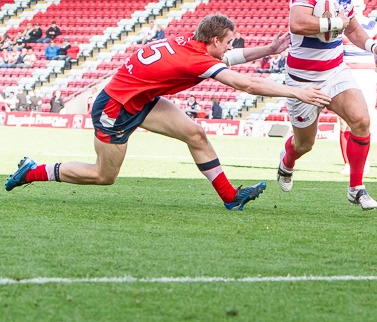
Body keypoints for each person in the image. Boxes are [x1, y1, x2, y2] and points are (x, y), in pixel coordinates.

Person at [5, 14, 331, 213]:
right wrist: (298, 91)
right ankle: (33, 171)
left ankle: (231, 197)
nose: (233, 45)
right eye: (229, 41)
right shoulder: (197, 59)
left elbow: (228, 59)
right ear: (215, 40)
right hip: (116, 108)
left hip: (140, 99)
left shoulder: (192, 45)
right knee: (104, 176)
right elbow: (246, 85)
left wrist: (268, 50)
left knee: (195, 134)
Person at [276, 0, 377, 210]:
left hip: (335, 71)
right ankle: (287, 162)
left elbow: (352, 29)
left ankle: (356, 188)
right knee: (304, 144)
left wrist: (373, 47)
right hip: (303, 80)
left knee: (362, 120)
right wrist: (334, 24)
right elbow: (297, 23)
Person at [338, 0, 377, 175]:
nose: (356, 8)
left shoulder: (373, 26)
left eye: (359, 5)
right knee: (344, 120)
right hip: (345, 74)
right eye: (353, 5)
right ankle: (348, 163)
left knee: (365, 118)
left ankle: (362, 161)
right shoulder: (340, 25)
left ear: (365, 6)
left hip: (367, 75)